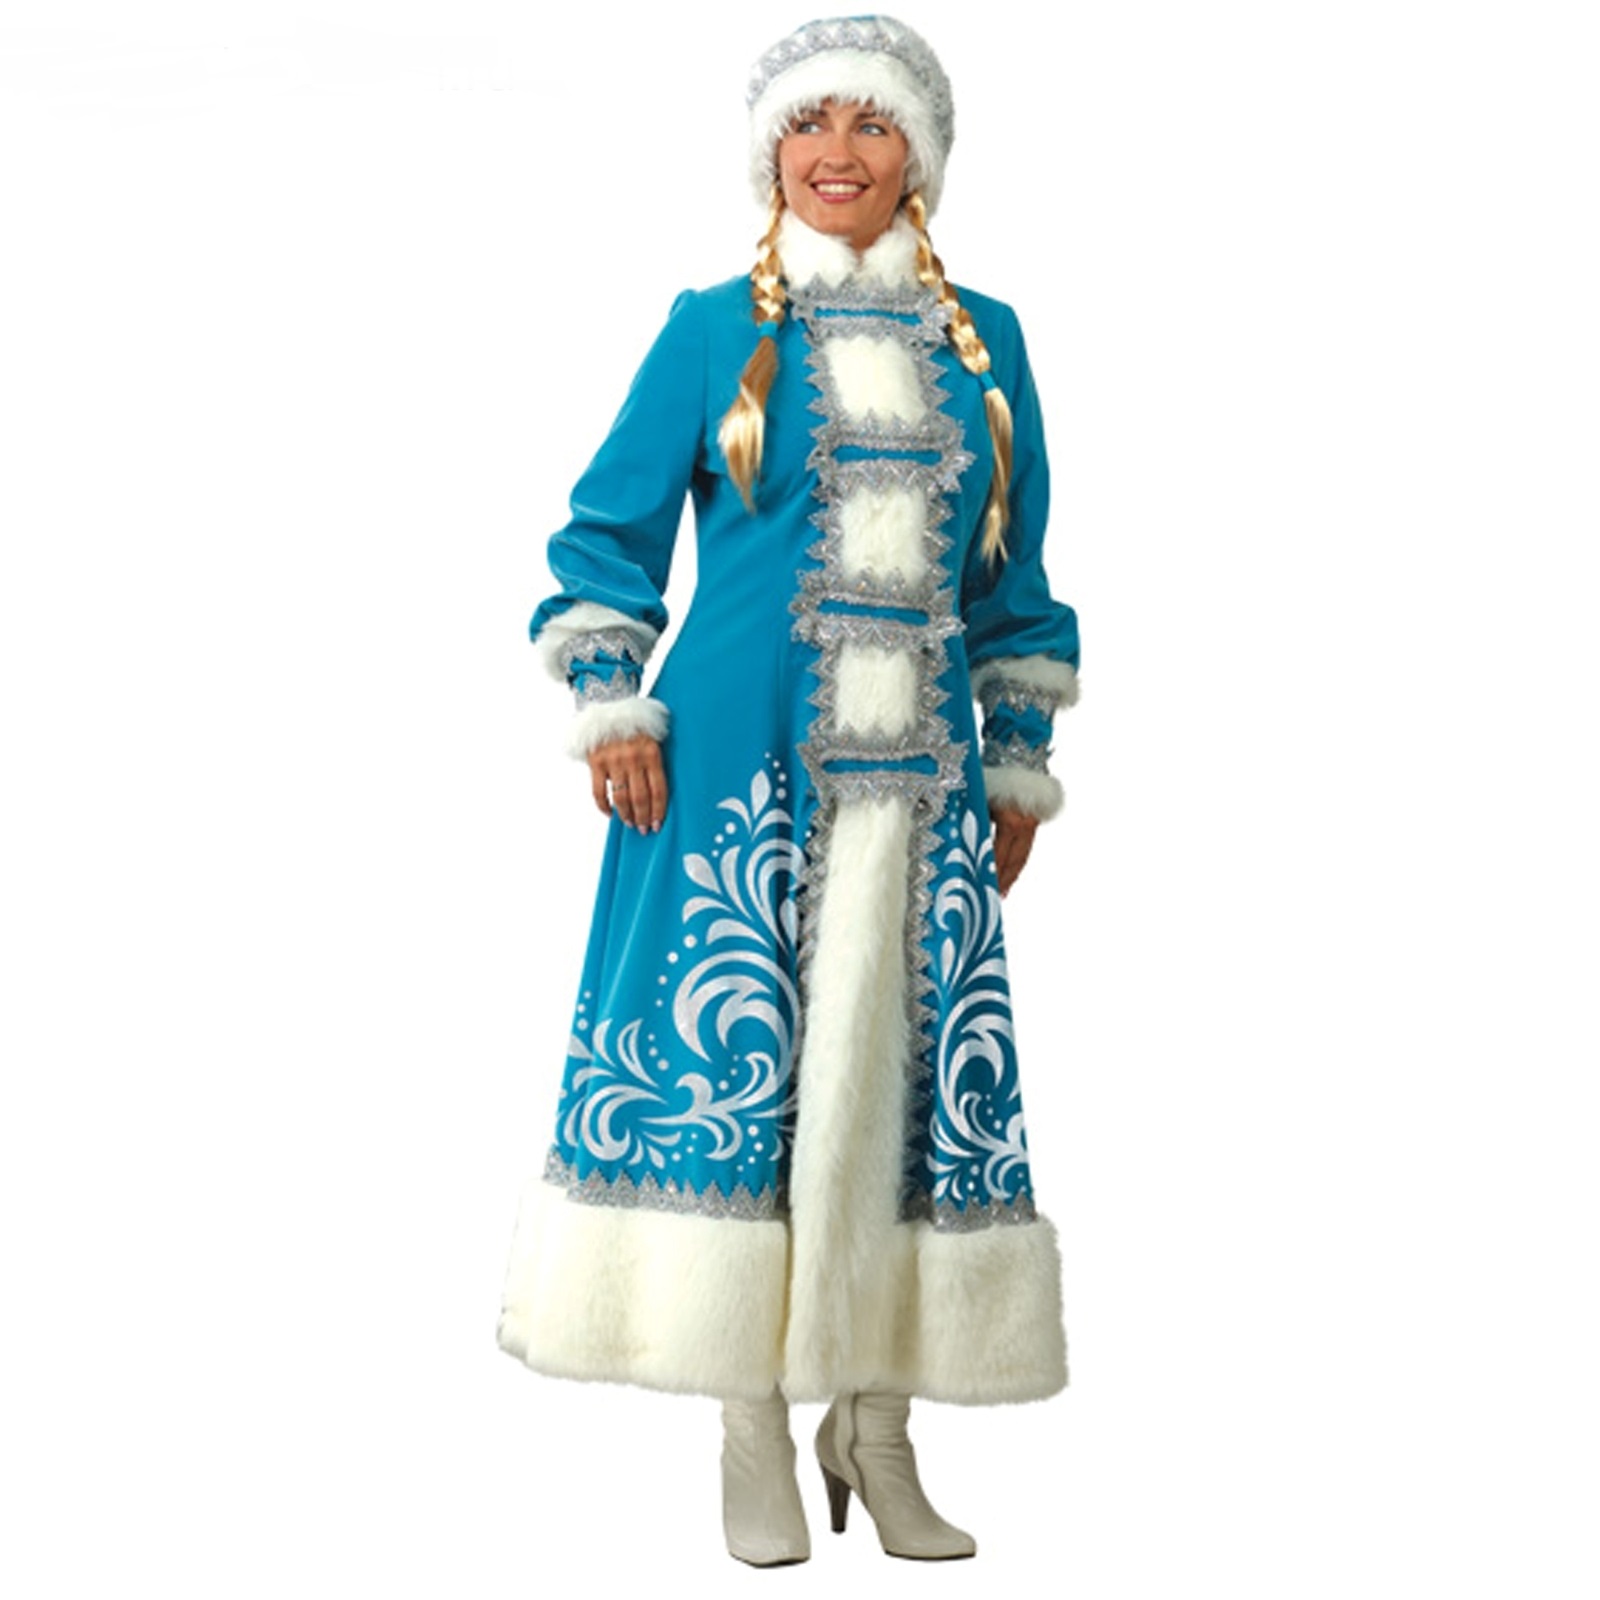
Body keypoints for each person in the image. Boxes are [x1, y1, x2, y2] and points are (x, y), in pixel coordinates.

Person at [497, 15, 1081, 1566]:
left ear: (920, 159)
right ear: (769, 153)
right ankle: (748, 1420)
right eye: (810, 122)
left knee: (910, 1089)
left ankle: (876, 1430)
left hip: (928, 783)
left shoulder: (989, 344)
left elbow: (1016, 582)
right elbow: (605, 535)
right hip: (731, 770)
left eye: (873, 125)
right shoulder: (712, 330)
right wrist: (608, 697)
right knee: (743, 1082)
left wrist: (1019, 753)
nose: (839, 151)